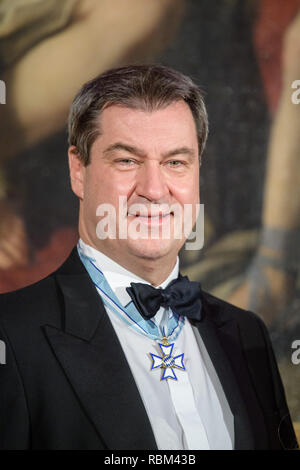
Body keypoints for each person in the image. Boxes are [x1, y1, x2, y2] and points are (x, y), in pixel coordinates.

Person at [0, 65, 298, 450]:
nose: (155, 190)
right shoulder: (11, 335)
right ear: (79, 171)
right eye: (127, 160)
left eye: (176, 162)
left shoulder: (246, 334)